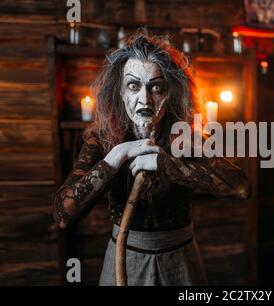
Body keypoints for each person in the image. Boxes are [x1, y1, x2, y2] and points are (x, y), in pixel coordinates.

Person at [53, 34, 250, 286]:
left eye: (155, 87)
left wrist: (168, 165)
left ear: (171, 93)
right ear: (119, 91)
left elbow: (241, 187)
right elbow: (63, 215)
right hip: (124, 260)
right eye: (133, 86)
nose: (145, 100)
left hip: (179, 261)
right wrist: (116, 156)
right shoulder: (102, 141)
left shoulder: (187, 137)